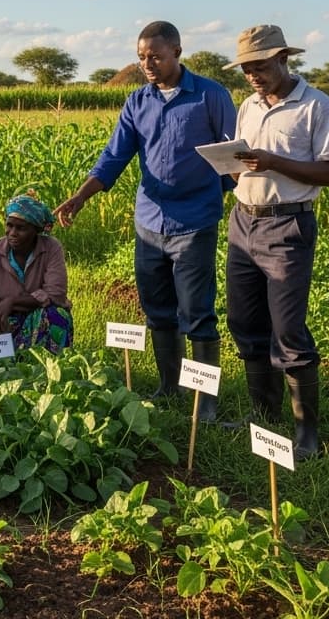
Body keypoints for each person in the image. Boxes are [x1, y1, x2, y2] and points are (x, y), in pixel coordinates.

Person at [55, 21, 235, 420]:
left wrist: (211, 193)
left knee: (197, 313)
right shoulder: (137, 102)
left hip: (195, 222)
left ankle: (205, 403)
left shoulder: (210, 95)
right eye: (140, 58)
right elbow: (113, 158)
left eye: (155, 56)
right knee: (158, 310)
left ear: (177, 52)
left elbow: (232, 156)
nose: (147, 64)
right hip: (150, 221)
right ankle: (170, 387)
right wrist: (80, 197)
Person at [223, 24, 329, 459]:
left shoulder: (315, 105)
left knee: (288, 330)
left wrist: (274, 161)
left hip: (286, 225)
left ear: (283, 59)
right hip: (242, 221)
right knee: (244, 321)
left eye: (259, 66)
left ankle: (306, 432)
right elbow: (243, 167)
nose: (252, 75)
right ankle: (264, 413)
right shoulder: (248, 107)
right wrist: (229, 164)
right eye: (246, 69)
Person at [0, 190, 73, 353]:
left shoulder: (51, 248)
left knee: (57, 315)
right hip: (6, 319)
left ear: (36, 230)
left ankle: (49, 368)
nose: (12, 233)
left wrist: (12, 301)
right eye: (9, 225)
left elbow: (56, 293)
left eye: (21, 228)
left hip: (41, 316)